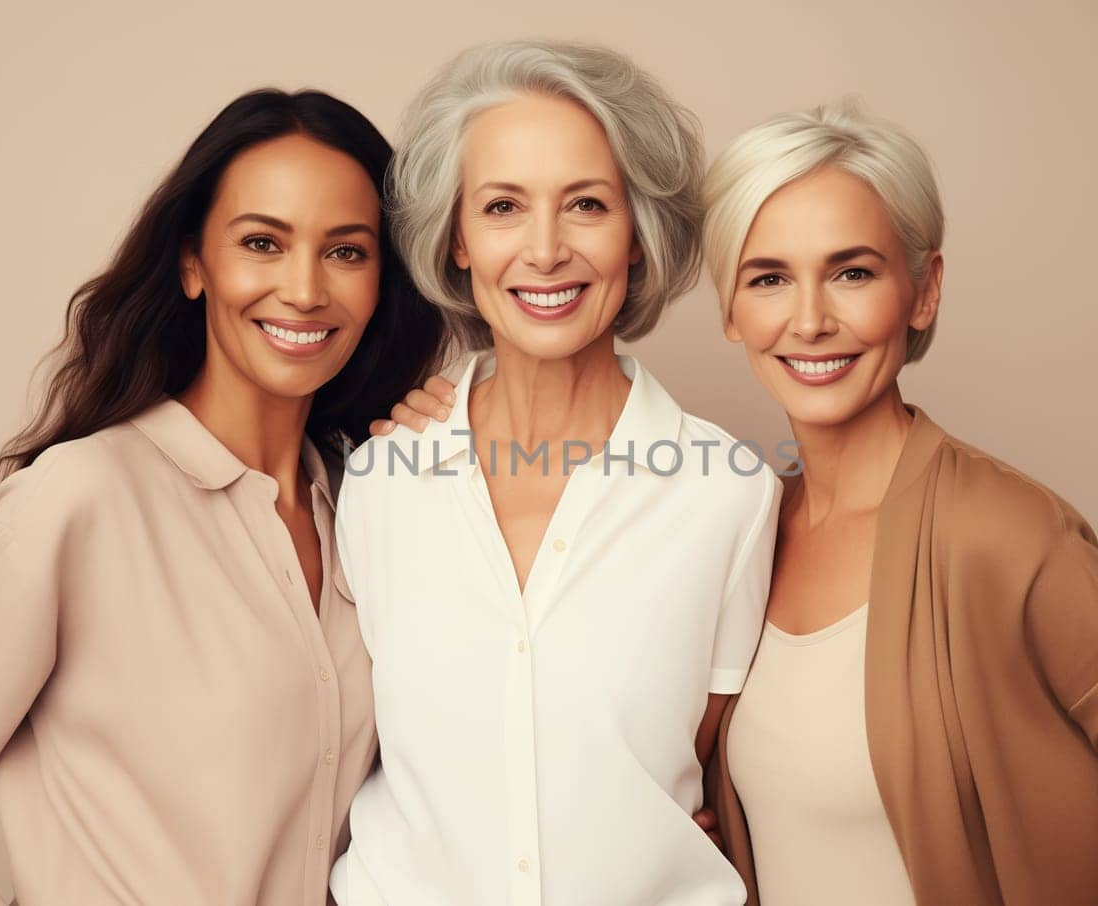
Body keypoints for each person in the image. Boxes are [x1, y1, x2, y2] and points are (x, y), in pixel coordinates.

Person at [385, 101, 1098, 906]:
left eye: (854, 271)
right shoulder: (743, 520)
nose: (810, 319)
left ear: (924, 290)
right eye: (769, 277)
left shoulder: (1002, 535)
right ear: (729, 310)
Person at [0, 88, 442, 905]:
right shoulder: (85, 498)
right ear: (191, 263)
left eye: (346, 251)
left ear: (382, 280)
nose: (305, 289)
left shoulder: (371, 510)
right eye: (261, 242)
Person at [328, 41, 779, 906]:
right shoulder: (378, 481)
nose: (544, 250)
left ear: (638, 235)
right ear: (456, 240)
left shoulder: (731, 494)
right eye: (502, 206)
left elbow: (717, 774)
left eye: (586, 205)